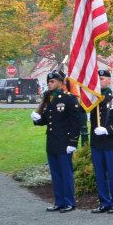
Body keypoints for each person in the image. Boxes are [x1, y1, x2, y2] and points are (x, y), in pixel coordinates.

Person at [31, 71, 82, 212]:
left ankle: (69, 202)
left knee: (66, 174)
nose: (49, 83)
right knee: (56, 174)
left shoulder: (69, 99)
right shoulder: (50, 99)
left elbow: (76, 123)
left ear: (61, 82)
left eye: (52, 81)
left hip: (65, 143)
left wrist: (73, 142)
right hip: (52, 142)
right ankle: (59, 202)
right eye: (49, 81)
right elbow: (47, 119)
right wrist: (37, 119)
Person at [88, 70, 113, 214]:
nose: (100, 81)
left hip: (111, 142)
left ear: (109, 81)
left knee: (112, 174)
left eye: (103, 79)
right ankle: (103, 202)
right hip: (97, 143)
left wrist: (108, 130)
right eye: (98, 79)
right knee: (99, 174)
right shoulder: (93, 99)